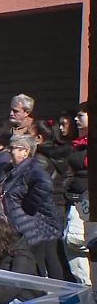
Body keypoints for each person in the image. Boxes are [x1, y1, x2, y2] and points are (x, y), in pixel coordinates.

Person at [1, 134, 62, 281]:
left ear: (26, 151)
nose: (10, 151)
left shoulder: (33, 168)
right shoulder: (16, 170)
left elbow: (45, 184)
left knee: (46, 262)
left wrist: (28, 206)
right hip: (28, 226)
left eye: (13, 148)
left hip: (40, 226)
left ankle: (59, 296)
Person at [30, 120, 70, 279]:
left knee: (40, 254)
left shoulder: (39, 160)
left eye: (29, 135)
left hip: (44, 212)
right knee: (51, 254)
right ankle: (57, 291)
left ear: (39, 138)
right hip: (57, 209)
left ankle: (42, 291)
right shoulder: (57, 156)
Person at [64, 102, 90, 284]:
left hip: (85, 200)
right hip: (74, 199)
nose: (76, 119)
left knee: (73, 239)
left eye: (80, 115)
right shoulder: (77, 143)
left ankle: (88, 287)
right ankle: (87, 287)